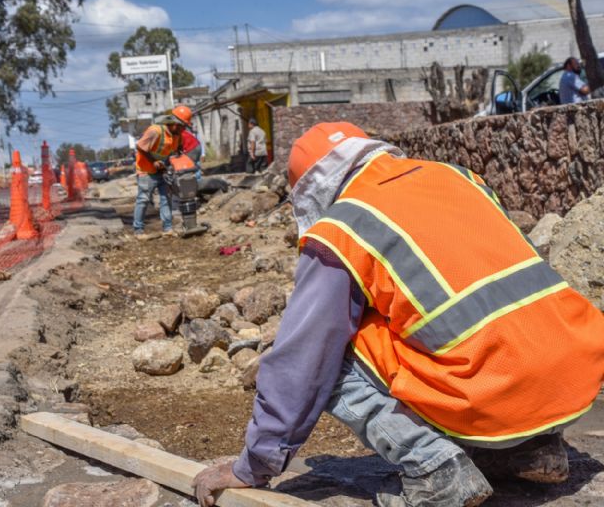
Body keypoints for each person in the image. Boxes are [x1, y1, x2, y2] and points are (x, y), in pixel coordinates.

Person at [193, 122, 604, 507]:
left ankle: (434, 468)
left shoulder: (342, 228)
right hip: (571, 372)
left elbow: (303, 358)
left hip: (495, 384)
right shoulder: (457, 177)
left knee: (333, 347)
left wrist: (254, 465)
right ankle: (530, 448)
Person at [132, 105, 190, 239]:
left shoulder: (177, 135)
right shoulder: (155, 131)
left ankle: (167, 228)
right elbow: (140, 146)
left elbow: (177, 149)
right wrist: (153, 161)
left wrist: (179, 156)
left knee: (166, 199)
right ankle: (138, 230)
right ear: (175, 123)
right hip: (146, 170)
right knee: (143, 199)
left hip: (162, 171)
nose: (183, 130)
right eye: (182, 127)